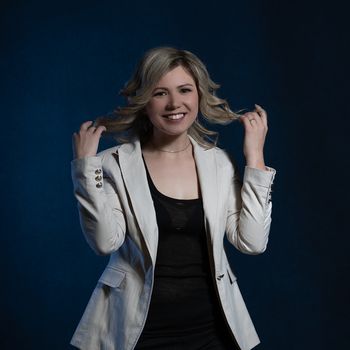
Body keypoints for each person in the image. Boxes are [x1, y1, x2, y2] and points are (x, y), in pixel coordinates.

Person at [70, 47, 276, 350]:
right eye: (160, 93)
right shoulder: (113, 164)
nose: (175, 103)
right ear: (143, 102)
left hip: (211, 331)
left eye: (184, 90)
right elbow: (105, 242)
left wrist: (255, 157)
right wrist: (85, 169)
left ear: (199, 96)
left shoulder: (218, 163)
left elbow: (252, 241)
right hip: (137, 331)